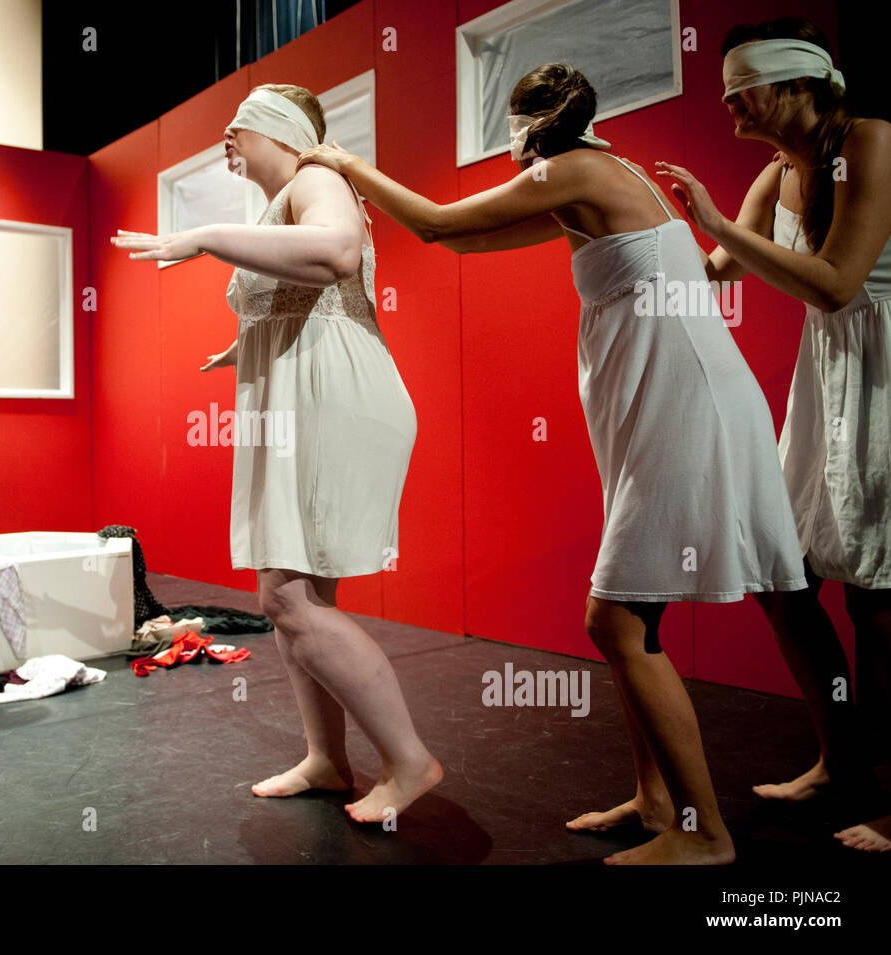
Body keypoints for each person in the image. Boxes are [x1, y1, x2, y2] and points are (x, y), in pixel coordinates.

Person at [299, 63, 811, 864]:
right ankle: (654, 798)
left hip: (682, 403)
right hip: (661, 401)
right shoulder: (588, 175)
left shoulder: (572, 168)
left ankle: (705, 832)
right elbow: (464, 238)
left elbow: (435, 224)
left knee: (614, 618)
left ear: (532, 122)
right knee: (639, 619)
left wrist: (349, 165)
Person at [111, 84, 442, 823]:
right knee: (304, 598)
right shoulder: (277, 205)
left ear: (281, 131)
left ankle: (409, 759)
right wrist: (245, 346)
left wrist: (204, 236)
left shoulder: (315, 179)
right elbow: (302, 291)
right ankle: (328, 758)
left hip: (335, 402)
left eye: (238, 128)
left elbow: (335, 252)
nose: (226, 139)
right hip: (303, 400)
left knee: (283, 596)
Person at [655, 17, 891, 852]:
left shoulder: (868, 140)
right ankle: (840, 756)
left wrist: (721, 226)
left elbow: (834, 285)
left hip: (882, 374)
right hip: (825, 381)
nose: (728, 111)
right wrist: (618, 225)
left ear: (793, 83)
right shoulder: (777, 172)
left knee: (881, 601)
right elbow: (720, 268)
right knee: (782, 576)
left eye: (738, 93)